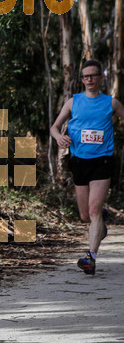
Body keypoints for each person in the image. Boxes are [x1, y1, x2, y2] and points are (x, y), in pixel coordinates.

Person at [50, 59, 124, 275]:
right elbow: (54, 127)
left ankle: (90, 258)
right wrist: (58, 138)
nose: (89, 79)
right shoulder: (73, 102)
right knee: (85, 215)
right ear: (81, 80)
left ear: (101, 78)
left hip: (102, 160)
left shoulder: (111, 103)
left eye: (93, 75)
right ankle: (100, 218)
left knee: (92, 209)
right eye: (85, 76)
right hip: (79, 161)